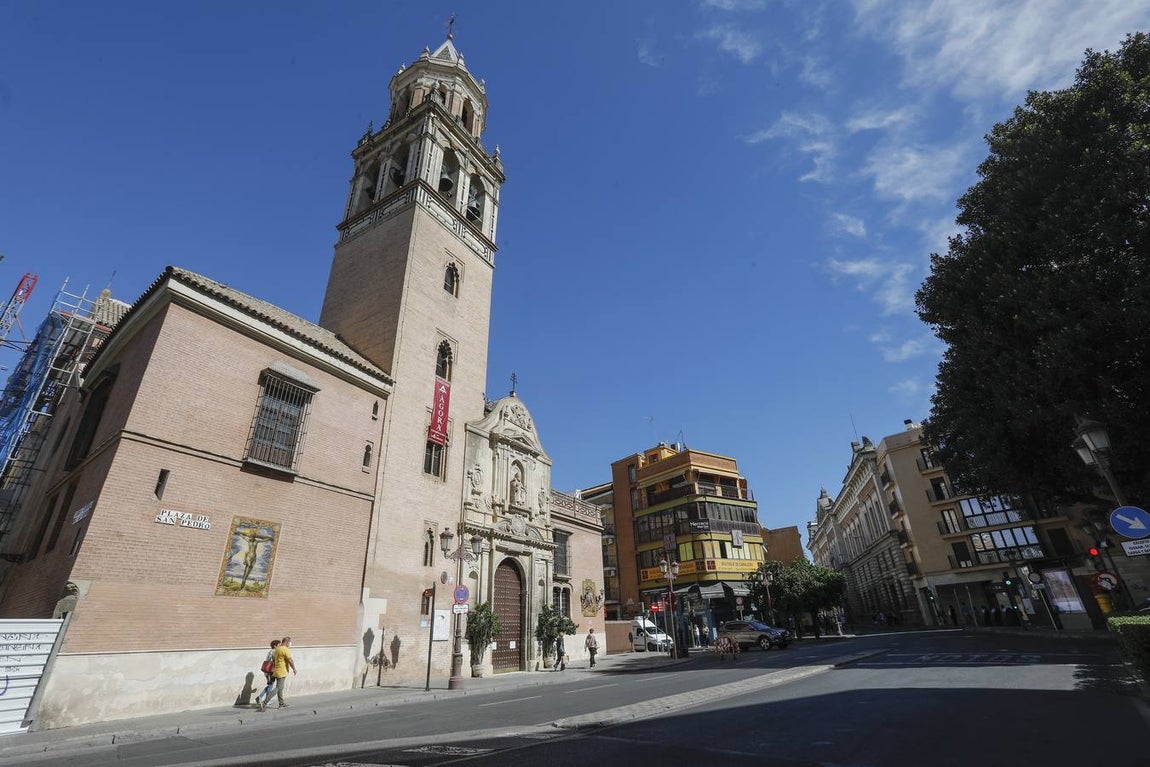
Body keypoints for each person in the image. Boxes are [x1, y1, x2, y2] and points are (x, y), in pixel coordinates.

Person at [254, 639, 280, 712]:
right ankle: (266, 700)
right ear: (275, 645)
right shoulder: (274, 651)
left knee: (270, 685)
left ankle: (259, 697)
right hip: (270, 671)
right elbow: (275, 661)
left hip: (268, 670)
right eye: (279, 645)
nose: (280, 646)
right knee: (270, 685)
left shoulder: (270, 651)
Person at [272, 636, 297, 708]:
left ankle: (281, 703)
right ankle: (264, 702)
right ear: (286, 642)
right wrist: (294, 669)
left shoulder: (277, 649)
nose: (290, 644)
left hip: (277, 670)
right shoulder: (285, 649)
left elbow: (274, 660)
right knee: (278, 687)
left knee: (280, 688)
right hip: (282, 671)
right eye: (290, 642)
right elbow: (290, 660)